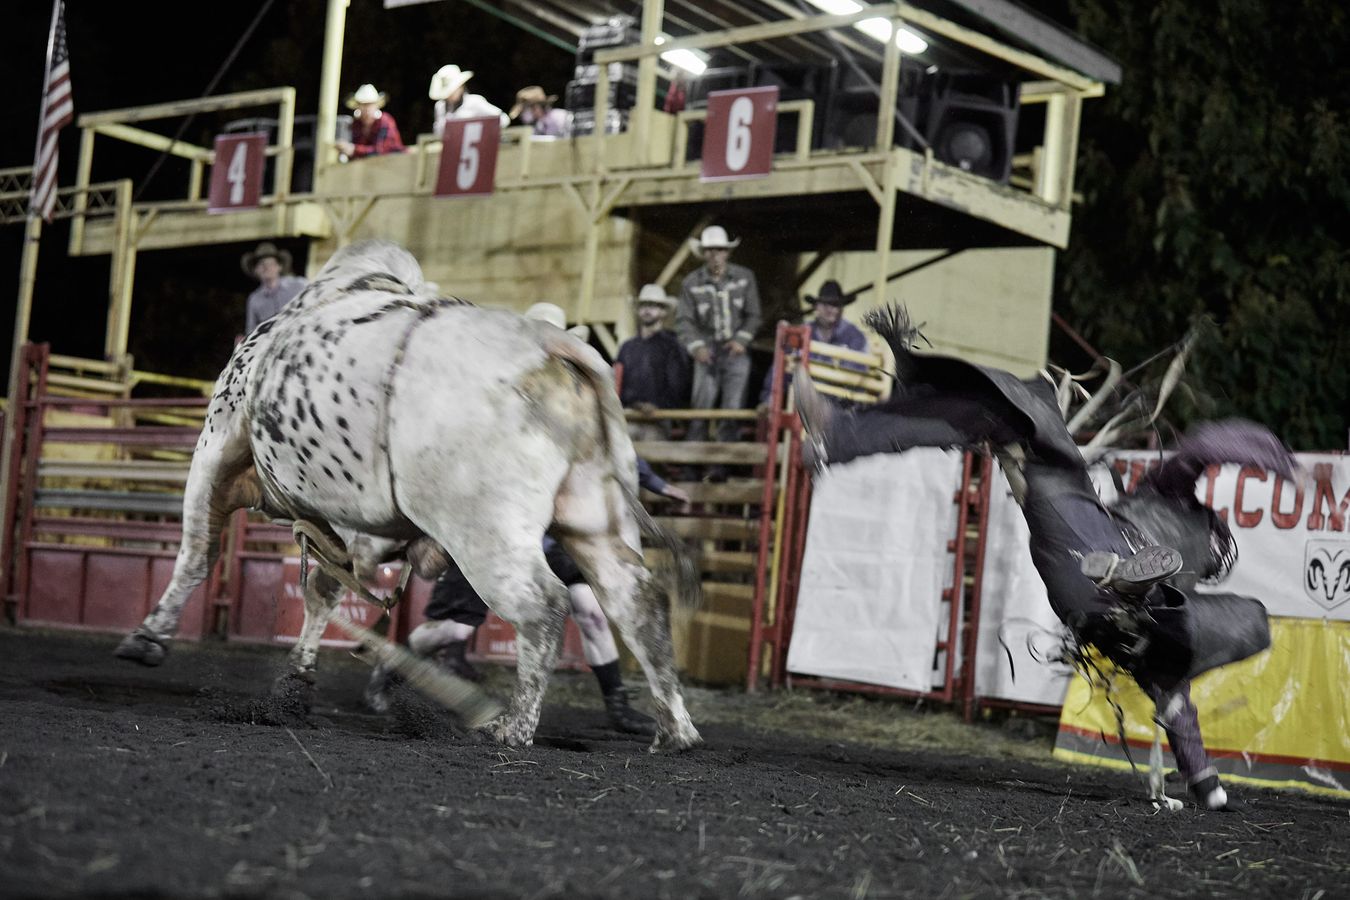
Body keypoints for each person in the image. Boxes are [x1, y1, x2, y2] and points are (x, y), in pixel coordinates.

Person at [796, 304, 1290, 812]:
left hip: (1088, 554)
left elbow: (1198, 450)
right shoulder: (1173, 502)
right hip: (1088, 570)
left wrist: (1254, 446)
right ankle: (1131, 599)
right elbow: (1198, 452)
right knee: (1006, 414)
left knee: (1013, 418)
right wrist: (1207, 784)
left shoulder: (1171, 506)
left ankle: (840, 434)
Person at [677, 225, 762, 456]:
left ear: (727, 252)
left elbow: (754, 315)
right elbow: (684, 321)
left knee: (732, 409)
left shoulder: (745, 278)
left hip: (735, 351)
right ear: (703, 253)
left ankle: (721, 465)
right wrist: (697, 347)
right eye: (710, 250)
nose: (715, 255)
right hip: (706, 351)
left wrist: (740, 341)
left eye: (719, 250)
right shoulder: (691, 283)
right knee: (700, 409)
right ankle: (693, 465)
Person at [758, 279, 869, 408]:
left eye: (835, 305)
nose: (830, 309)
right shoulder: (800, 333)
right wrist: (768, 400)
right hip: (804, 403)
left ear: (841, 309)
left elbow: (857, 378)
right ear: (816, 307)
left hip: (839, 405)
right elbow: (780, 367)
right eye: (824, 304)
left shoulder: (854, 337)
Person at [616, 284, 691, 442]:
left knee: (651, 454)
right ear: (638, 310)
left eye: (653, 306)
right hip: (629, 416)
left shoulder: (673, 346)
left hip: (659, 419)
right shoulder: (627, 347)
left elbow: (679, 387)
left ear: (663, 312)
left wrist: (658, 406)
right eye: (643, 305)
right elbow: (618, 383)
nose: (647, 310)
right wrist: (633, 404)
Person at [241, 242, 307, 335]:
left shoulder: (299, 285)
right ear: (255, 270)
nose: (266, 268)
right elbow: (251, 331)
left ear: (279, 267)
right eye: (261, 264)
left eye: (271, 263)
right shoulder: (254, 299)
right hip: (271, 344)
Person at [429, 64, 508, 136]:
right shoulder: (440, 107)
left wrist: (482, 131)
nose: (450, 95)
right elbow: (437, 133)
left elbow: (503, 119)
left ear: (461, 87)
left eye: (453, 90)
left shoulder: (474, 102)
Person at [336, 84, 405, 159]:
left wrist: (354, 149)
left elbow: (381, 151)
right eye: (363, 104)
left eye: (370, 104)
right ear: (358, 106)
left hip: (393, 163)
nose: (366, 108)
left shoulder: (385, 121)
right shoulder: (356, 124)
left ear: (376, 105)